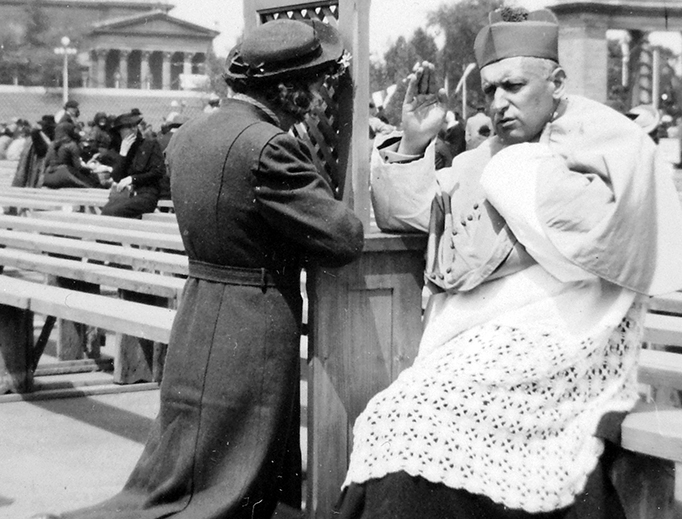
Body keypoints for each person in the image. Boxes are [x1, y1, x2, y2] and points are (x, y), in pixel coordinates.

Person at [334, 7, 682, 519]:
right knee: (394, 416)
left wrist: (517, 173)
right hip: (480, 344)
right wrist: (413, 142)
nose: (498, 104)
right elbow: (418, 212)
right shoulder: (488, 153)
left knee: (419, 415)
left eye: (514, 86)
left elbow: (604, 240)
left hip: (565, 345)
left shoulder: (606, 143)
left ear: (557, 81)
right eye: (489, 90)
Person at [32, 18, 363, 519]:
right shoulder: (270, 146)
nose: (319, 95)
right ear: (288, 89)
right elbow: (343, 238)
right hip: (254, 315)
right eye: (314, 83)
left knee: (193, 458)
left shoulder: (191, 132)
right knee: (239, 474)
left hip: (200, 305)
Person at [98, 112, 165, 218]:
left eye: (135, 126)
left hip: (146, 195)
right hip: (126, 194)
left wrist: (133, 179)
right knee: (106, 211)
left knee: (113, 212)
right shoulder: (119, 150)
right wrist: (123, 154)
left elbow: (158, 172)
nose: (133, 129)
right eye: (129, 127)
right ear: (119, 131)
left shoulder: (150, 144)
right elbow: (117, 177)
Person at [42, 121, 103, 189]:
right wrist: (90, 169)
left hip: (48, 176)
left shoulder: (52, 144)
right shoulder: (71, 145)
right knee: (92, 184)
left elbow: (46, 162)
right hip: (64, 175)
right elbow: (78, 167)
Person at [11, 115, 56, 188]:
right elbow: (42, 151)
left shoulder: (36, 132)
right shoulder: (42, 132)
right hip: (37, 155)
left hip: (33, 152)